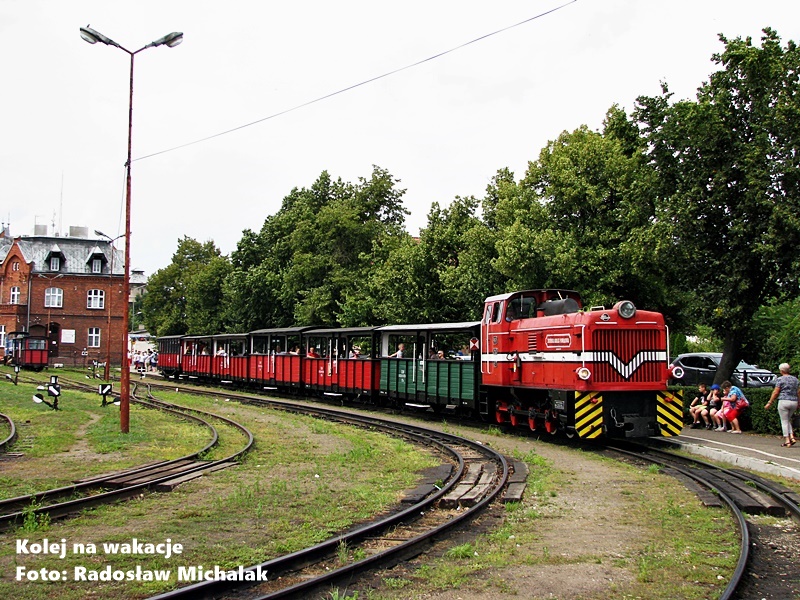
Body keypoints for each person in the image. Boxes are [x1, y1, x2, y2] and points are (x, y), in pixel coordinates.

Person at [764, 362, 799, 447]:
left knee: (784, 421)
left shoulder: (780, 379)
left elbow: (776, 392)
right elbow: (798, 392)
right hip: (794, 401)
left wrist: (770, 402)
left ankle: (787, 440)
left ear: (781, 371)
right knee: (787, 419)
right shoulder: (795, 379)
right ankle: (792, 436)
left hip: (783, 401)